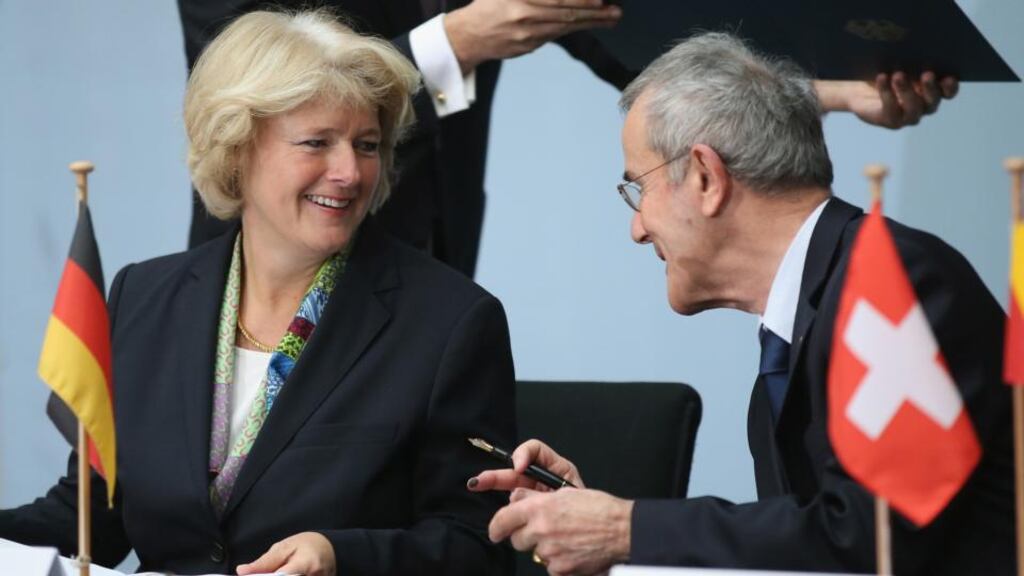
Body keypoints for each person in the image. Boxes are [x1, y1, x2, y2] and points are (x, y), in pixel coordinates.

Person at [469, 32, 1013, 575]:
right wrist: (602, 527)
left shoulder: (895, 284)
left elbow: (872, 541)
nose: (636, 229)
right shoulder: (790, 337)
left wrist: (626, 528)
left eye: (638, 188)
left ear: (706, 177)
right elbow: (798, 548)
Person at [1, 10, 516, 575]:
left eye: (366, 145)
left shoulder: (451, 323)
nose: (349, 171)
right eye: (317, 142)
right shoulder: (142, 299)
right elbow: (88, 518)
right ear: (238, 148)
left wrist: (342, 556)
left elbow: (476, 548)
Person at [179, 0, 957, 278]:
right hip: (268, 264)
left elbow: (649, 51)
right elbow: (235, 68)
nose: (351, 164)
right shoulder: (156, 315)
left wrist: (841, 94)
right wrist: (457, 38)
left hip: (430, 266)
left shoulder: (458, 328)